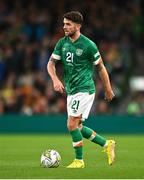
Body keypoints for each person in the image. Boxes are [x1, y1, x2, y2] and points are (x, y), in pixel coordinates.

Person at [47, 11, 115, 168]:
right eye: (64, 23)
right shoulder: (62, 43)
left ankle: (79, 160)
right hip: (71, 90)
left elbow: (101, 67)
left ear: (78, 26)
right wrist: (55, 79)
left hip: (84, 89)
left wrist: (108, 89)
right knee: (77, 127)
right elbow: (51, 64)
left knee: (71, 124)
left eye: (68, 24)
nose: (64, 27)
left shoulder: (89, 45)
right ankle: (106, 144)